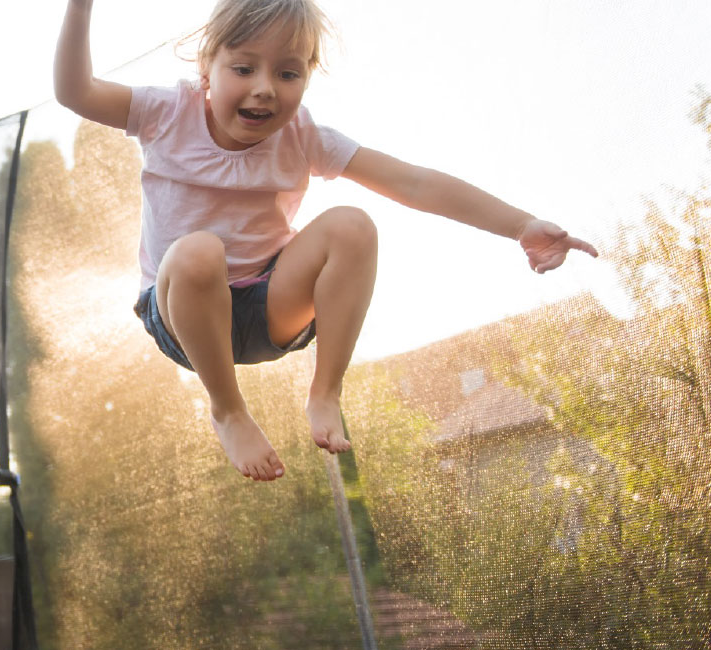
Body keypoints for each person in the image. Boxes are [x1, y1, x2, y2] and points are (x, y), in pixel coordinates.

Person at [54, 0, 597, 481]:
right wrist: (80, 8)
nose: (265, 87)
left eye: (288, 73)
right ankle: (229, 409)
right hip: (184, 311)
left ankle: (326, 390)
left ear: (307, 78)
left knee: (352, 224)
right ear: (206, 68)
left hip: (270, 306)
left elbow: (413, 183)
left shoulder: (302, 137)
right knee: (198, 252)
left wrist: (520, 225)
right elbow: (76, 92)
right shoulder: (165, 111)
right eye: (243, 68)